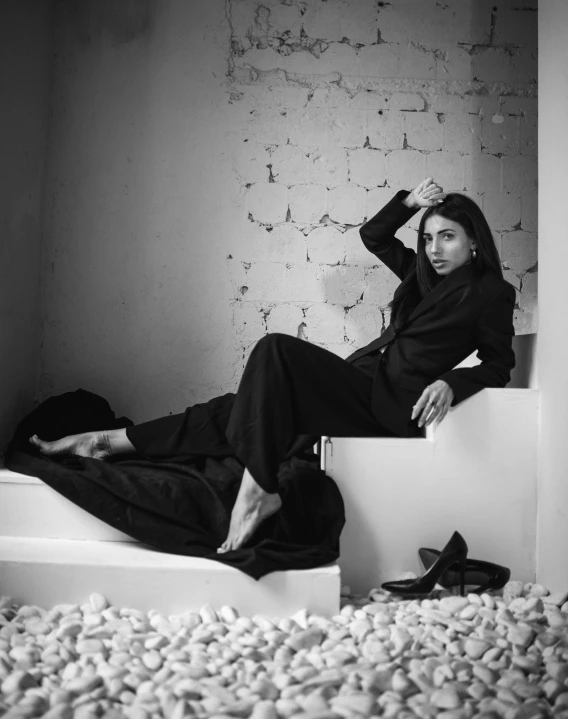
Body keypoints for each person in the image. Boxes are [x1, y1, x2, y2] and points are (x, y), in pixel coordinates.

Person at [29, 177, 516, 554]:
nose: (434, 249)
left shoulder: (491, 293)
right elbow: (373, 234)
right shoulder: (420, 273)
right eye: (428, 237)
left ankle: (259, 488)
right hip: (360, 382)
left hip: (390, 409)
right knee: (235, 408)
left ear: (474, 242)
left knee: (276, 350)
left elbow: (499, 363)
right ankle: (107, 442)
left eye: (447, 237)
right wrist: (409, 203)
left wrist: (452, 381)